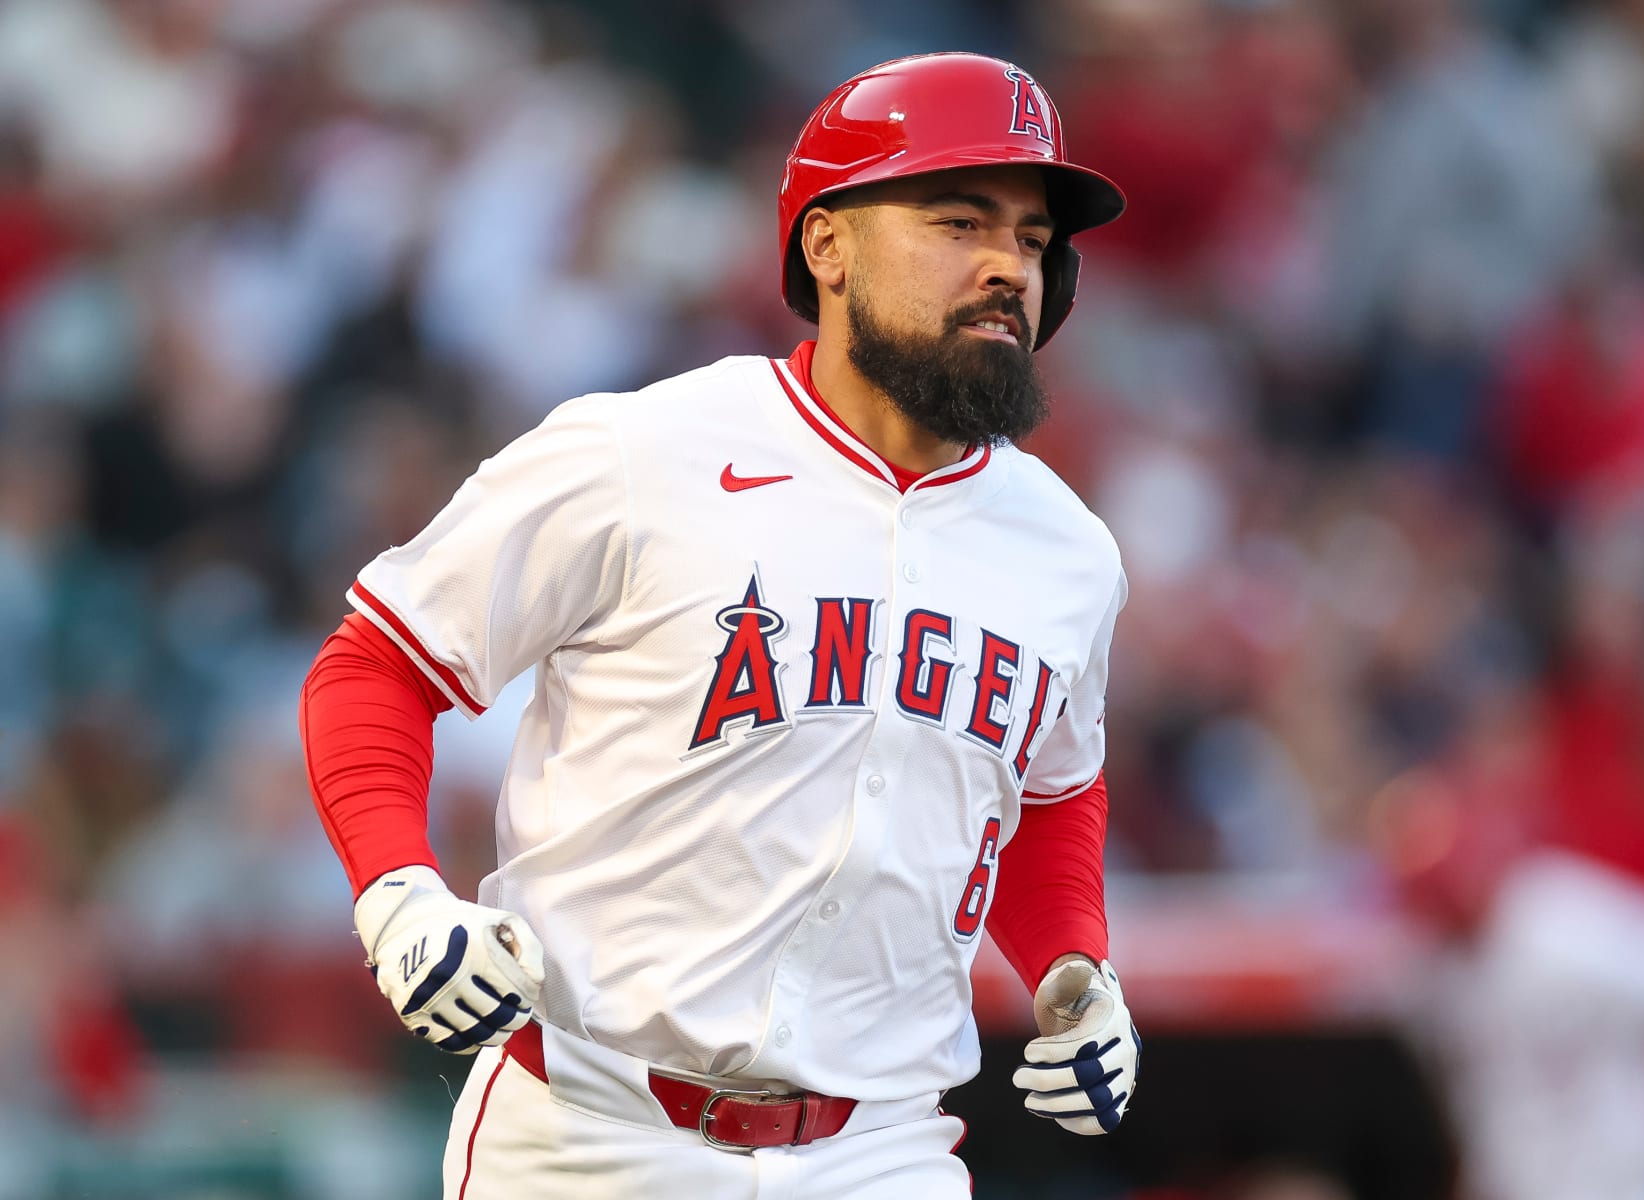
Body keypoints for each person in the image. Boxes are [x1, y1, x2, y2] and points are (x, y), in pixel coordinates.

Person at [299, 52, 1139, 1199]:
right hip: (593, 1132)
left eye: (1034, 241)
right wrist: (397, 888)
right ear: (828, 246)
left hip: (882, 1149)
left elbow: (1047, 789)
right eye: (960, 220)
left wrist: (1072, 963)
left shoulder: (1067, 551)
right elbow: (377, 666)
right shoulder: (643, 452)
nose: (1007, 266)